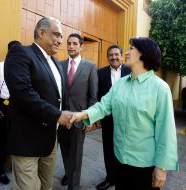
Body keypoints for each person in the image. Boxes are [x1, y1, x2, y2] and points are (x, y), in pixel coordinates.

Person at [70, 37, 178, 190]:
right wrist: (80, 115)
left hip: (144, 165)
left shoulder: (160, 88)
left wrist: (162, 168)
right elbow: (102, 106)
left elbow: (166, 131)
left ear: (143, 54)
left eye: (131, 49)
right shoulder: (121, 84)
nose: (126, 53)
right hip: (119, 160)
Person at [4, 17, 72, 190]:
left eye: (61, 37)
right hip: (27, 140)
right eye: (56, 35)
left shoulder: (56, 62)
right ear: (41, 32)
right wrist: (58, 115)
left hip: (50, 140)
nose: (60, 41)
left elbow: (60, 97)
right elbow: (23, 93)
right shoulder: (21, 53)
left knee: (46, 186)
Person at [58, 33, 98, 190]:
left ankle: (74, 186)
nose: (71, 46)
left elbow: (93, 96)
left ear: (81, 46)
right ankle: (69, 174)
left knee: (76, 155)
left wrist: (90, 119)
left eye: (75, 43)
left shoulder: (90, 67)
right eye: (69, 43)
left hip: (79, 119)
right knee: (65, 152)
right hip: (61, 119)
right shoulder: (59, 65)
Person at [96, 45, 131, 190]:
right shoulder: (100, 73)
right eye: (111, 55)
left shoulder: (130, 71)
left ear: (122, 56)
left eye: (116, 54)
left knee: (125, 148)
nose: (114, 57)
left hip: (128, 119)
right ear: (107, 57)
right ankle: (110, 178)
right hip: (108, 119)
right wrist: (97, 117)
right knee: (108, 148)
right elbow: (98, 97)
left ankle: (124, 177)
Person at [0, 40, 20, 185]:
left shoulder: (22, 67)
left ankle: (12, 166)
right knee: (1, 140)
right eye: (13, 49)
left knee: (15, 139)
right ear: (8, 50)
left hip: (18, 108)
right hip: (3, 107)